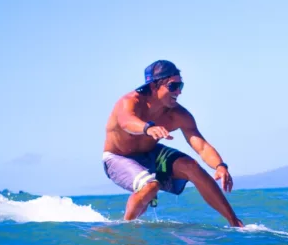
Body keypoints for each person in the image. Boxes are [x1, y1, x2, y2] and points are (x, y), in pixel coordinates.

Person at [102, 60, 244, 227]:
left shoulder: (178, 114)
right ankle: (127, 230)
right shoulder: (130, 101)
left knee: (192, 167)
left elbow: (201, 145)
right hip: (118, 157)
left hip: (151, 153)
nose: (179, 92)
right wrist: (147, 128)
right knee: (150, 187)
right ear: (155, 85)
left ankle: (235, 223)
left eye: (180, 86)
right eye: (173, 86)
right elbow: (127, 122)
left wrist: (220, 166)